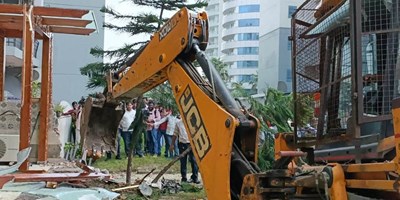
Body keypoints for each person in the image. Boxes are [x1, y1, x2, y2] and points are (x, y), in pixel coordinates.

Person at [170, 115, 200, 184]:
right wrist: (172, 144)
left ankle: (195, 177)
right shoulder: (178, 123)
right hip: (182, 144)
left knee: (194, 161)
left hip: (192, 144)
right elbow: (175, 134)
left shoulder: (193, 123)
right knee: (183, 161)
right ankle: (184, 178)